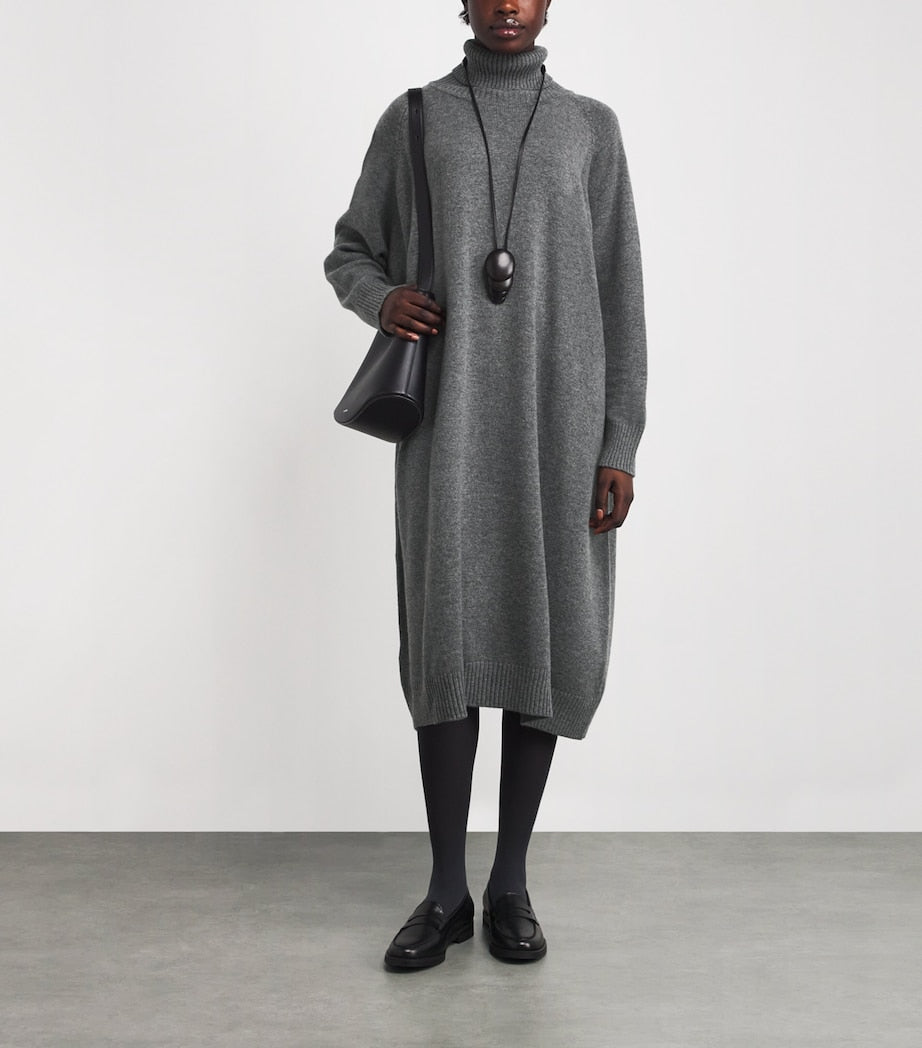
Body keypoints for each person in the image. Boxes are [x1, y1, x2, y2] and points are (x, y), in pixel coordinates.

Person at [324, 0, 646, 971]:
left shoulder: (590, 128)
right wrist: (384, 297)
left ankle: (509, 883)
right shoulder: (416, 116)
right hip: (450, 427)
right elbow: (349, 248)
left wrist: (619, 439)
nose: (508, 4)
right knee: (448, 642)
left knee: (549, 637)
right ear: (459, 2)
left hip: (561, 425)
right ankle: (444, 891)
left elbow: (621, 289)